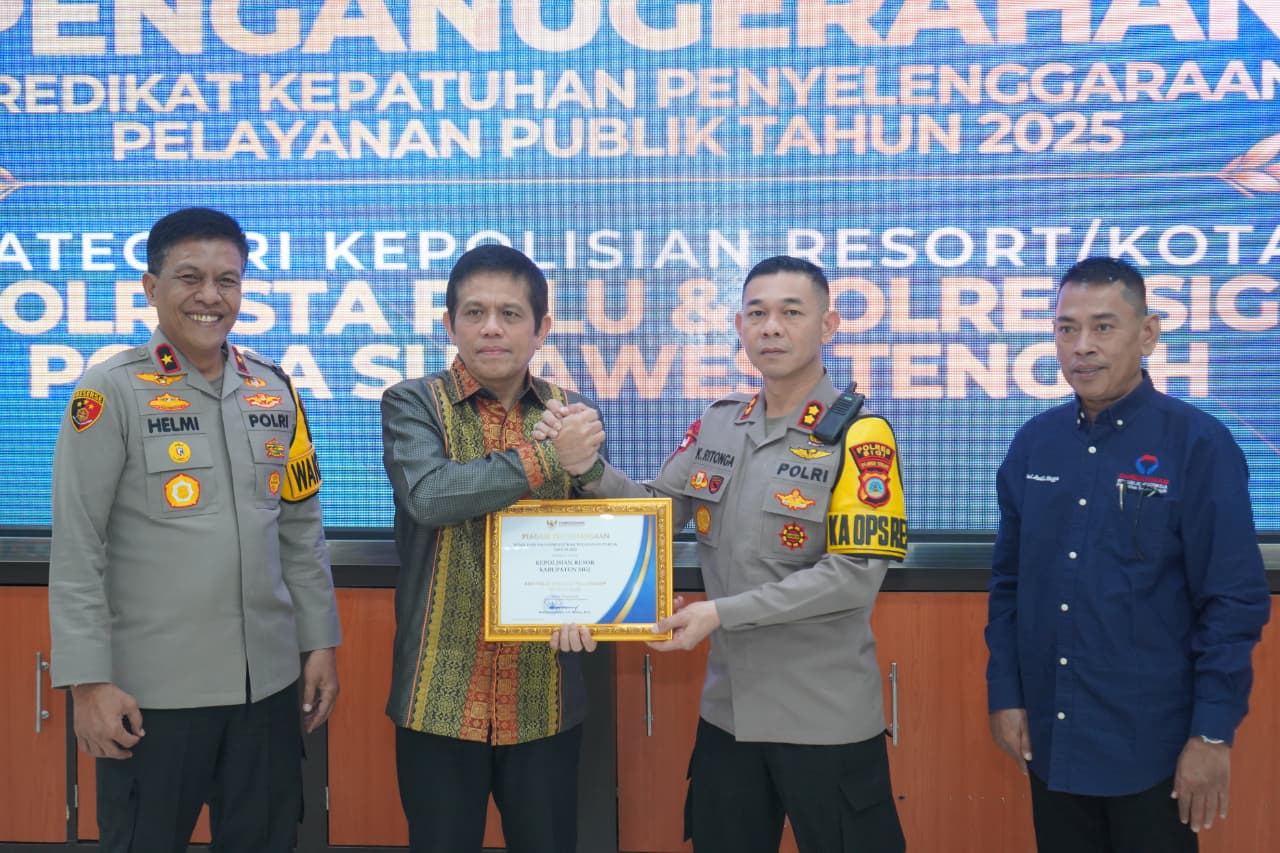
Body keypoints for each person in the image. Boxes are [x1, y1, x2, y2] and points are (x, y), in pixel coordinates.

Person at [547, 256, 909, 853]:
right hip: (728, 715)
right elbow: (654, 512)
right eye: (757, 313)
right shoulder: (717, 425)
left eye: (792, 312)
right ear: (739, 327)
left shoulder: (860, 436)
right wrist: (586, 467)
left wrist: (719, 613)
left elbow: (852, 578)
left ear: (828, 325)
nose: (772, 327)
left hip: (824, 717)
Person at [49, 206, 342, 852]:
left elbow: (300, 530)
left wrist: (320, 642)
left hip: (266, 693)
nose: (210, 295)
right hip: (152, 698)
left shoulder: (276, 390)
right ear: (151, 288)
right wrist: (87, 683)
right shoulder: (108, 393)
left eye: (227, 280)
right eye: (189, 277)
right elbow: (77, 549)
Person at [984, 256, 1271, 852]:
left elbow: (1233, 602)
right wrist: (1005, 694)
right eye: (1066, 328)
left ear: (1148, 334)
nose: (1081, 347)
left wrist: (1212, 734)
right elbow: (1009, 584)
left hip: (1154, 749)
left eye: (1103, 327)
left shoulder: (1199, 445)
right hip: (1053, 739)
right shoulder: (1034, 444)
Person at [380, 244, 606, 853]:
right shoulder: (411, 402)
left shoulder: (572, 414)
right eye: (474, 312)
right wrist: (549, 455)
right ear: (448, 323)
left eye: (510, 314)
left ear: (541, 328)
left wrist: (597, 605)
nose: (491, 328)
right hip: (438, 695)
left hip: (544, 695)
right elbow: (431, 496)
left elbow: (598, 530)